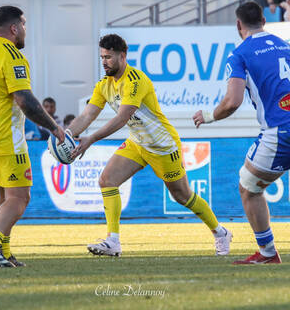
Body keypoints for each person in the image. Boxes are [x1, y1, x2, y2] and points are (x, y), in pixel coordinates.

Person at [67, 34, 232, 257]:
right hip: (138, 142)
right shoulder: (103, 85)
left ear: (122, 56)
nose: (104, 62)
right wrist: (66, 134)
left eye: (108, 57)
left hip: (163, 146)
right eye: (102, 57)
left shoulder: (136, 80)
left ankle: (221, 232)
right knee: (107, 180)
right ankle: (113, 241)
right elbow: (87, 115)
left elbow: (122, 118)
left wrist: (91, 138)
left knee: (182, 196)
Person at [193, 1, 290, 264]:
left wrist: (209, 116)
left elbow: (232, 101)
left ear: (239, 25)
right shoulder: (286, 46)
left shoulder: (240, 54)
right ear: (264, 21)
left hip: (280, 131)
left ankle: (268, 253)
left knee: (248, 188)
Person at [0, 6, 65, 267]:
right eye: (23, 25)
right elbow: (25, 101)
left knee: (3, 195)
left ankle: (3, 252)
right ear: (14, 28)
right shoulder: (11, 55)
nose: (25, 31)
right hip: (3, 138)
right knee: (20, 198)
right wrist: (54, 128)